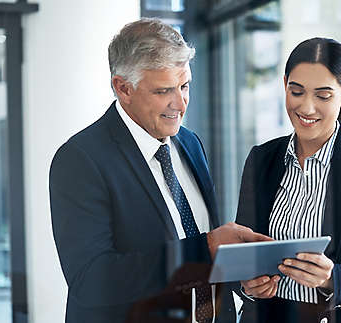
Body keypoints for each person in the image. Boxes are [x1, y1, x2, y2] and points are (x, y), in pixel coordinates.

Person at [49, 18, 271, 323]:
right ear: (123, 88)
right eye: (163, 91)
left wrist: (244, 281)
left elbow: (200, 252)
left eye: (185, 85)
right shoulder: (80, 160)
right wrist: (204, 249)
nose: (180, 103)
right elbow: (92, 281)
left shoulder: (190, 143)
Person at [235, 38, 341, 322]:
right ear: (285, 84)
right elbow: (242, 252)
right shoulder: (262, 159)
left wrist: (333, 278)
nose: (307, 108)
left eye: (323, 96)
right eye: (296, 92)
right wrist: (247, 285)